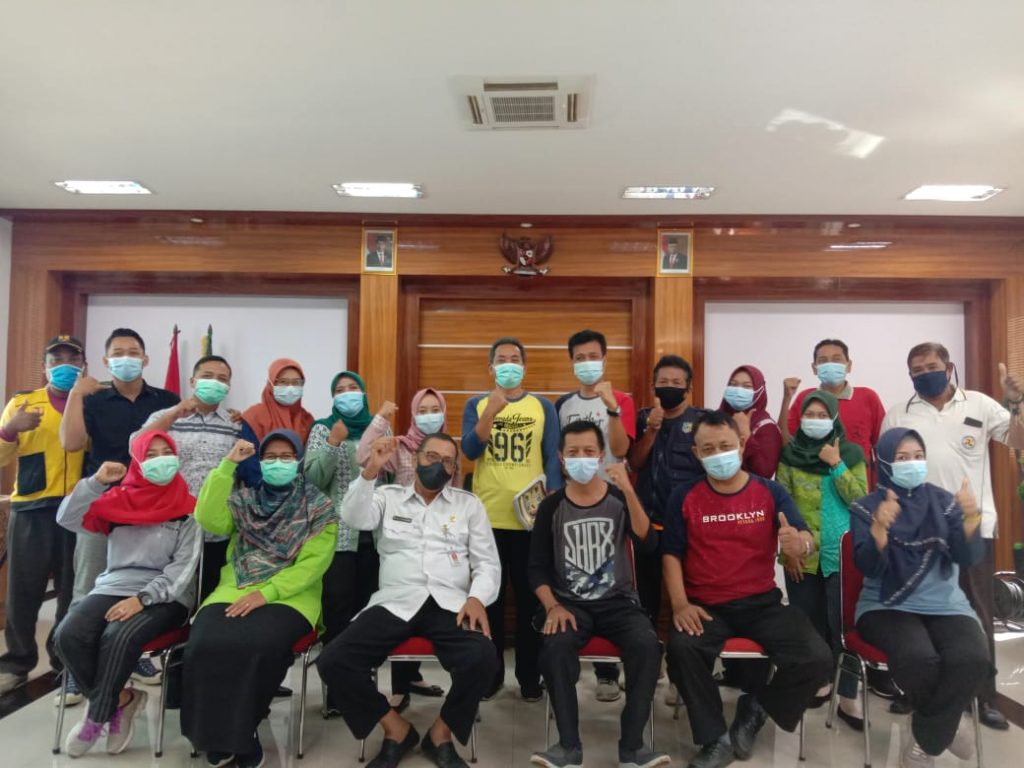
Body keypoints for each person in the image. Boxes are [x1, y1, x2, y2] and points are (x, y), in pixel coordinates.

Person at [317, 433, 501, 768]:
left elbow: (487, 562)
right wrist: (370, 471)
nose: (439, 466)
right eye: (432, 457)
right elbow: (354, 517)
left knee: (484, 658)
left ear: (454, 468)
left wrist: (477, 598)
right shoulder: (388, 496)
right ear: (416, 458)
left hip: (449, 603)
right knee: (333, 660)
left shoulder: (468, 505)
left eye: (447, 461)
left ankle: (441, 734)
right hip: (395, 601)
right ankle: (396, 729)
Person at [662, 411, 832, 768]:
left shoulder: (770, 491)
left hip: (761, 604)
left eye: (725, 446)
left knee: (817, 657)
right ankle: (715, 739)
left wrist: (799, 544)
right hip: (706, 605)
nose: (718, 454)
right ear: (696, 454)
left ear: (741, 445)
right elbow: (671, 555)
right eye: (708, 449)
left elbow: (804, 537)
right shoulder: (683, 496)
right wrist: (679, 604)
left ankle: (757, 709)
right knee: (681, 647)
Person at [881, 342, 1024, 730]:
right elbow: (886, 471)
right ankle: (918, 691)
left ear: (948, 368)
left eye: (931, 365)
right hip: (916, 532)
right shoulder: (898, 414)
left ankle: (984, 696)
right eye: (916, 369)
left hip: (971, 525)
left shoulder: (979, 404)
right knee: (917, 611)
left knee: (977, 611)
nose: (924, 373)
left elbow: (1018, 440)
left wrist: (1016, 403)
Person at [181, 431, 336, 768]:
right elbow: (207, 517)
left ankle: (242, 730)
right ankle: (213, 734)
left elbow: (312, 566)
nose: (278, 463)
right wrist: (227, 466)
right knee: (202, 644)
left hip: (291, 597)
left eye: (286, 456)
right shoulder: (245, 500)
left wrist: (266, 593)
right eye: (270, 457)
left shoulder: (319, 507)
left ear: (299, 461)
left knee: (256, 645)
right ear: (260, 462)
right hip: (234, 588)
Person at [529, 421, 668, 768]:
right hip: (569, 605)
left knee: (647, 646)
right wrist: (552, 606)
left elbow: (648, 543)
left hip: (619, 603)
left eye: (588, 451)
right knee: (555, 647)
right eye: (573, 452)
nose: (582, 458)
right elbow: (537, 568)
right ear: (561, 459)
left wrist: (629, 490)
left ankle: (633, 746)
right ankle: (568, 746)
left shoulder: (619, 498)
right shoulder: (551, 506)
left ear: (601, 455)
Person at [53, 430, 200, 757]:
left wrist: (142, 599)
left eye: (166, 453)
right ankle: (121, 699)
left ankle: (96, 718)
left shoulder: (188, 509)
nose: (161, 460)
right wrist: (95, 482)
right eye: (151, 455)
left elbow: (182, 571)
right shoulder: (117, 501)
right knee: (67, 635)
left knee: (118, 635)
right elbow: (66, 518)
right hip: (113, 586)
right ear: (138, 462)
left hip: (166, 596)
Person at [850, 427, 990, 767]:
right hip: (885, 605)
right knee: (918, 658)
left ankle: (927, 738)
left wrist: (971, 518)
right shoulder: (866, 507)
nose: (912, 463)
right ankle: (947, 728)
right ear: (885, 462)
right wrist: (879, 529)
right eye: (901, 458)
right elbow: (867, 566)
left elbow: (968, 557)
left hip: (946, 604)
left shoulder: (944, 502)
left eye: (918, 456)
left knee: (972, 657)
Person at [59, 327, 180, 694]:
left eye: (133, 352)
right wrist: (75, 395)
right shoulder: (93, 398)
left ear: (145, 358)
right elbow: (71, 443)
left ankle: (133, 655)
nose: (126, 358)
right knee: (88, 585)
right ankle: (76, 672)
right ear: (106, 360)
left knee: (139, 584)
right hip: (105, 505)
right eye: (118, 352)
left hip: (151, 509)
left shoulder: (166, 399)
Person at [461, 337, 562, 702]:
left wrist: (551, 506)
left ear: (524, 366)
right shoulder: (476, 404)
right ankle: (489, 676)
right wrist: (491, 412)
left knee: (530, 602)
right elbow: (469, 451)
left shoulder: (543, 406)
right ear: (491, 368)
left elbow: (552, 458)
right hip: (487, 520)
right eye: (501, 359)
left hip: (530, 521)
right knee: (489, 601)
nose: (509, 364)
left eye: (515, 359)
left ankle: (529, 677)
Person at [355, 386, 462, 702]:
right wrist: (380, 419)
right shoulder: (400, 446)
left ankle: (412, 677)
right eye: (422, 411)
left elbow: (456, 491)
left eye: (435, 409)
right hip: (401, 538)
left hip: (439, 538)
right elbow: (362, 457)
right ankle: (400, 687)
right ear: (413, 415)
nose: (430, 416)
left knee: (432, 603)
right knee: (403, 606)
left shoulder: (449, 448)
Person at [776, 390, 867, 728]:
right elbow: (782, 502)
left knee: (842, 626)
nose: (815, 420)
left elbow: (860, 500)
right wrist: (788, 551)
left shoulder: (851, 453)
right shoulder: (789, 455)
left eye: (822, 415)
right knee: (808, 622)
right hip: (801, 554)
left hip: (840, 554)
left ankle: (848, 693)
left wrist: (836, 463)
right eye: (809, 415)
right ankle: (820, 680)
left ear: (834, 417)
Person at [0, 336, 86, 696]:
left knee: (72, 592)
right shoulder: (22, 402)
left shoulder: (91, 403)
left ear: (83, 365)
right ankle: (17, 663)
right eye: (56, 359)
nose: (64, 364)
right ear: (44, 366)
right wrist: (10, 429)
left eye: (72, 358)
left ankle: (63, 662)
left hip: (78, 511)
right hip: (32, 509)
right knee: (23, 590)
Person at [554, 329, 637, 701]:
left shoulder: (622, 399)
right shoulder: (563, 404)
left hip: (612, 498)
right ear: (572, 362)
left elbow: (622, 449)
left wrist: (612, 408)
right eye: (580, 357)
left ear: (605, 359)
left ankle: (612, 670)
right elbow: (559, 454)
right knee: (579, 574)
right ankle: (575, 667)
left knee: (611, 577)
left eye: (593, 356)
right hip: (573, 501)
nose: (587, 363)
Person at [133, 355, 257, 600]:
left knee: (208, 594)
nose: (215, 382)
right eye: (207, 376)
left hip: (216, 530)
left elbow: (247, 474)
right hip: (170, 525)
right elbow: (135, 446)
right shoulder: (165, 417)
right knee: (167, 595)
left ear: (228, 386)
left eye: (222, 379)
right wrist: (175, 413)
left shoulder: (236, 425)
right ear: (192, 381)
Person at [628, 354, 705, 625]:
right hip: (647, 524)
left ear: (688, 387)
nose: (669, 387)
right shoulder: (642, 418)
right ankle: (650, 645)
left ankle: (686, 641)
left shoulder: (702, 422)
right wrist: (651, 430)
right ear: (653, 387)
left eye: (676, 382)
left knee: (688, 593)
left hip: (687, 526)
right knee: (645, 595)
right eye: (663, 382)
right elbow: (634, 463)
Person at [779, 338, 885, 482]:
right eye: (823, 361)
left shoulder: (868, 397)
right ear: (814, 368)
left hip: (859, 485)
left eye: (837, 359)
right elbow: (786, 442)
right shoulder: (806, 398)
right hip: (813, 485)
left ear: (849, 365)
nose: (830, 365)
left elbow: (882, 446)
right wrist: (786, 398)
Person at [717, 364, 782, 478]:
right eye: (733, 385)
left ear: (759, 391)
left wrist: (746, 434)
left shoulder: (766, 427)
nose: (738, 390)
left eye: (747, 386)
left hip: (748, 488)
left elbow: (764, 473)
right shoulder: (716, 417)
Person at [239, 358, 315, 446]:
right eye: (283, 382)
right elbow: (246, 452)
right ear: (271, 384)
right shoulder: (254, 417)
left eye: (296, 382)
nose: (290, 388)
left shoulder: (307, 420)